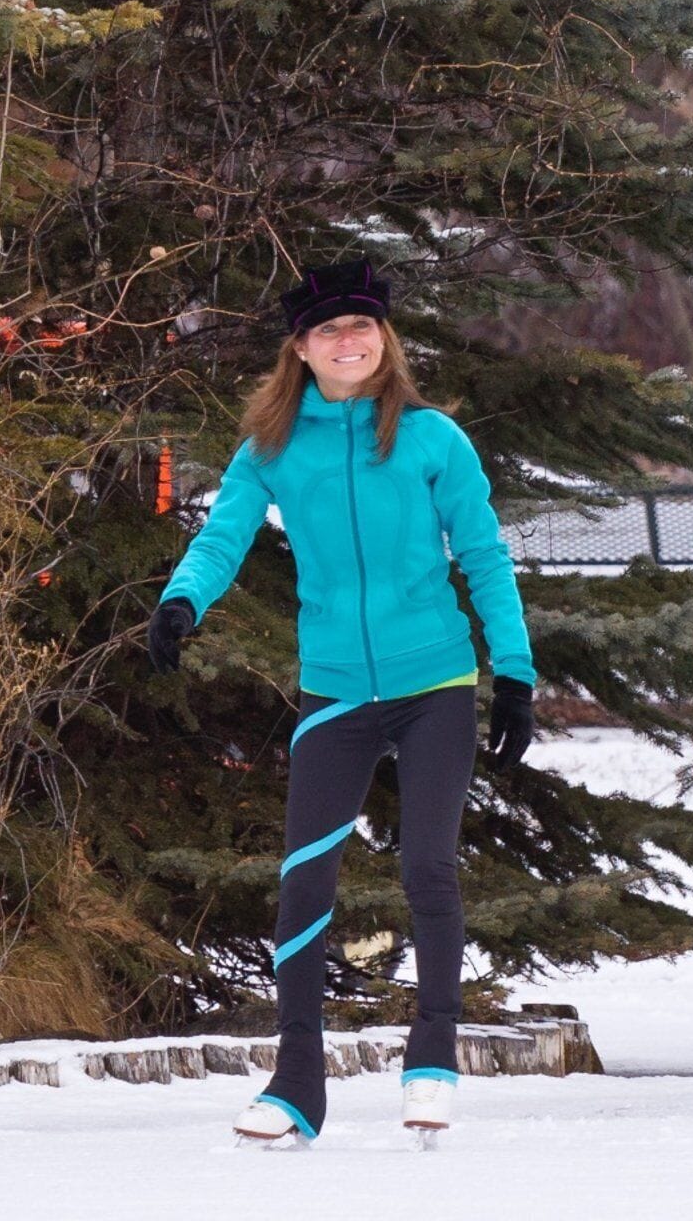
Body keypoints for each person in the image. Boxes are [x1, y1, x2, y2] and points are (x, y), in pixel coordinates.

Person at [147, 259, 535, 1150]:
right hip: (334, 688)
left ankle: (432, 1062)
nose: (349, 342)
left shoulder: (434, 438)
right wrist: (181, 600)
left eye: (363, 327)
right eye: (330, 331)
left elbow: (483, 555)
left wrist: (513, 672)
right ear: (302, 348)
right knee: (304, 882)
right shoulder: (273, 449)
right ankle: (296, 1085)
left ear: (384, 338)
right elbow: (222, 536)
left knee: (427, 868)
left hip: (434, 682)